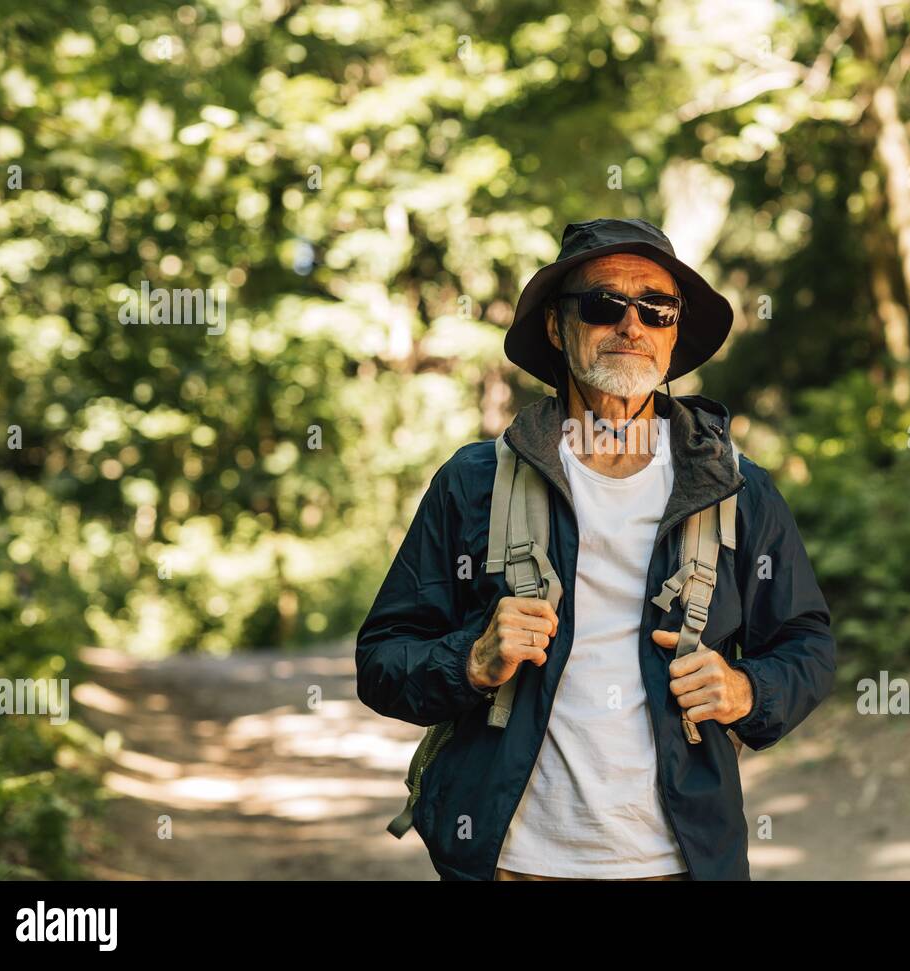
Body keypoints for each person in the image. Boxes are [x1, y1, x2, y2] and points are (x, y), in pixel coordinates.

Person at [356, 217, 836, 880]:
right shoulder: (473, 483)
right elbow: (382, 660)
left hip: (682, 862)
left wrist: (747, 689)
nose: (631, 326)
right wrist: (469, 659)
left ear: (673, 332)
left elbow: (808, 643)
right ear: (557, 326)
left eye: (657, 308)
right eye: (603, 304)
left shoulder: (734, 485)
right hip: (511, 862)